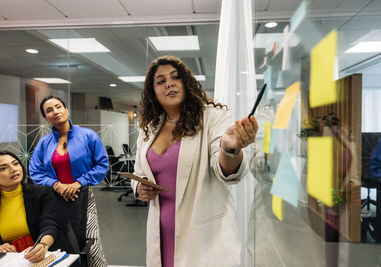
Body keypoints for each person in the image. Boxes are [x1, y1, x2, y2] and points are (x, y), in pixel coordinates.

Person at [131, 55, 259, 267]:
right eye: (160, 81)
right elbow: (139, 172)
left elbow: (225, 170)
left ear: (186, 82)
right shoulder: (150, 128)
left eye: (175, 77)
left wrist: (229, 149)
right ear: (153, 92)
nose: (169, 83)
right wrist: (138, 187)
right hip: (161, 234)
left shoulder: (212, 117)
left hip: (203, 237)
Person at [29, 96, 109, 267]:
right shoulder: (44, 143)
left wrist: (78, 183)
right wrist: (56, 185)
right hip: (54, 199)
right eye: (49, 110)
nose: (55, 112)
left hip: (83, 197)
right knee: (63, 244)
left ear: (66, 110)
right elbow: (35, 171)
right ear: (46, 118)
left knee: (91, 245)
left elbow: (102, 165)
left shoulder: (88, 136)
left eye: (58, 107)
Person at [0, 150, 57, 263]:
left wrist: (43, 246)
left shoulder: (42, 193)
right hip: (7, 261)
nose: (13, 169)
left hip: (40, 256)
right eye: (3, 168)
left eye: (15, 163)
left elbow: (50, 225)